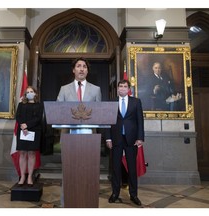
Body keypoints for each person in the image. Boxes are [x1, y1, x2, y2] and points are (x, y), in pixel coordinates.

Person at [56, 57, 102, 206]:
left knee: (89, 172)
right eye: (78, 66)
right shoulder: (64, 89)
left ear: (87, 70)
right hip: (69, 136)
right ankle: (66, 204)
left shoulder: (96, 89)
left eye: (84, 66)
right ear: (73, 70)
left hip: (90, 137)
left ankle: (87, 203)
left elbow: (99, 112)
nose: (81, 69)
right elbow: (57, 110)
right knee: (69, 172)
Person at [105, 79, 144, 206]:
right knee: (116, 168)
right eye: (120, 86)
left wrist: (140, 138)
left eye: (125, 86)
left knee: (132, 168)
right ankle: (115, 193)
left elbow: (140, 121)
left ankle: (134, 195)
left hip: (131, 139)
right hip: (116, 139)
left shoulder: (136, 102)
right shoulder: (111, 102)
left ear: (128, 89)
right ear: (117, 89)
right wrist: (108, 138)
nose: (122, 88)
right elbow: (107, 122)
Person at [16, 86, 43, 186]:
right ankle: (23, 176)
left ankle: (30, 176)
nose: (30, 93)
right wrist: (23, 126)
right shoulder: (21, 104)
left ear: (35, 93)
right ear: (25, 95)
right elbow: (18, 116)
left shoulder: (39, 105)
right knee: (22, 153)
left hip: (34, 131)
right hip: (23, 131)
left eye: (31, 91)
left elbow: (38, 118)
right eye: (28, 92)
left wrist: (27, 125)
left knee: (31, 154)